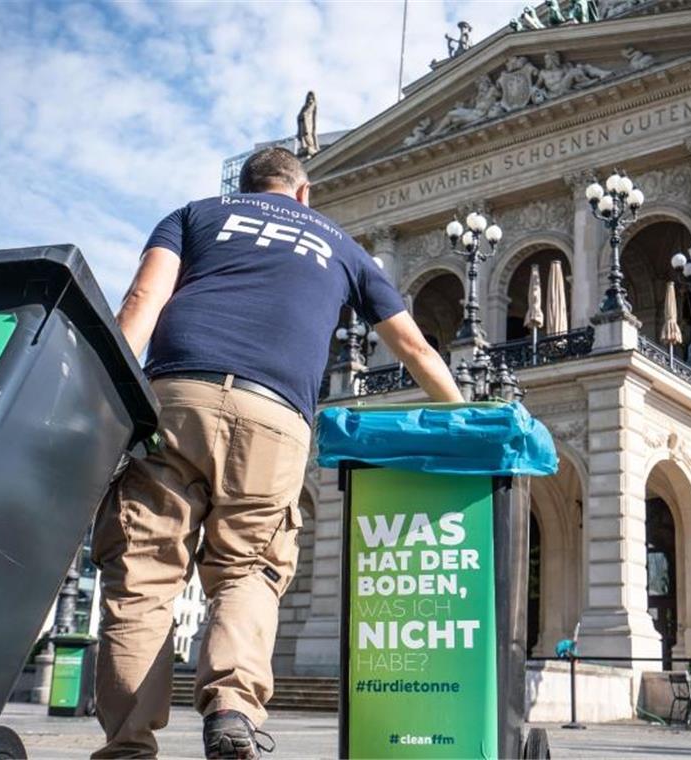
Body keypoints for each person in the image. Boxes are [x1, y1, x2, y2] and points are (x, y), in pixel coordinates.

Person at [92, 146, 463, 759]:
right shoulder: (339, 244)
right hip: (276, 413)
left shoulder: (194, 215)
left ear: (246, 187)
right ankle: (233, 708)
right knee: (250, 568)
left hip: (172, 398)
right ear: (303, 193)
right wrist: (467, 416)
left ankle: (128, 748)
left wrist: (100, 397)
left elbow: (140, 302)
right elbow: (416, 349)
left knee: (143, 578)